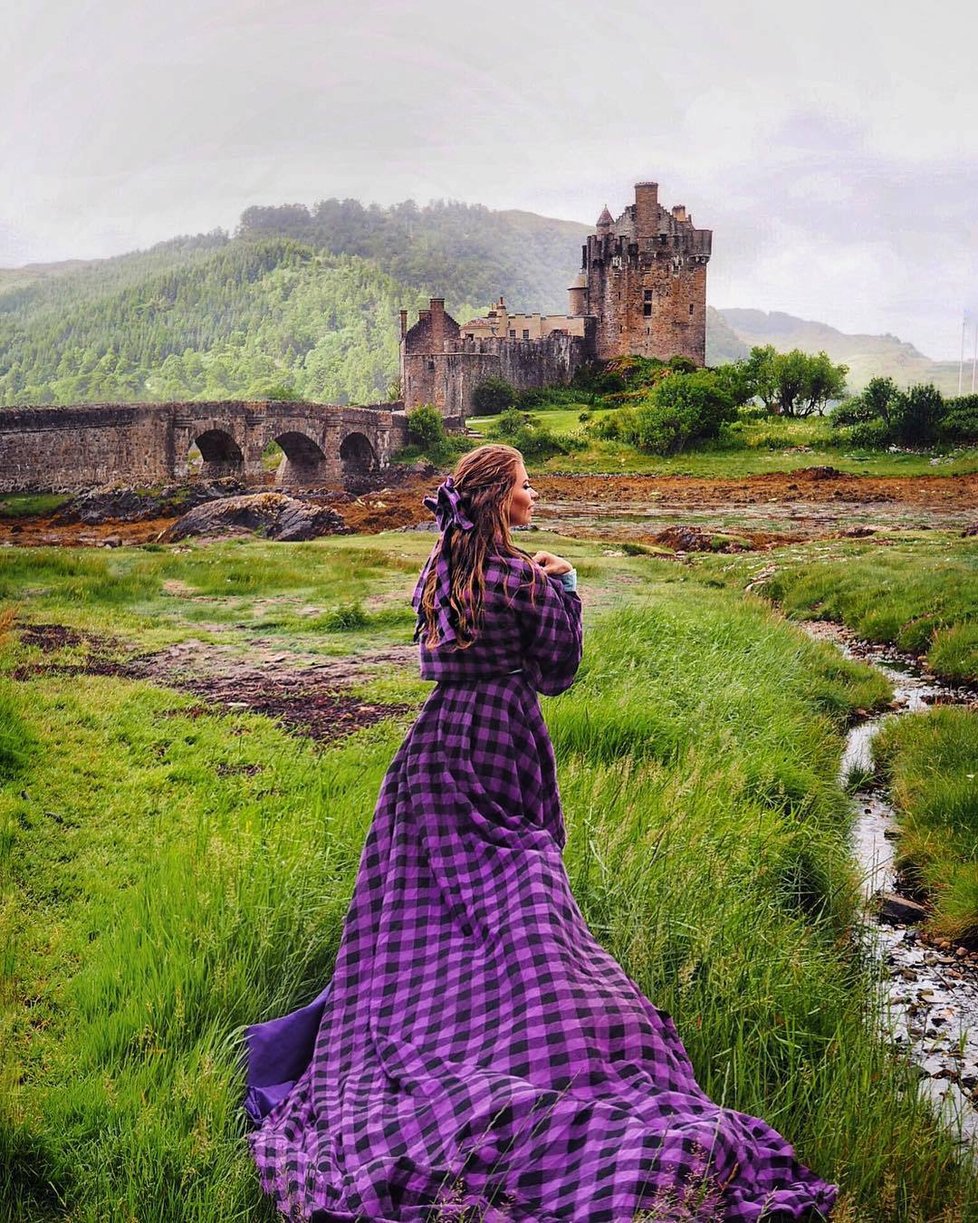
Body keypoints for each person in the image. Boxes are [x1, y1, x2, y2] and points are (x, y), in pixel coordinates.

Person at [243, 443, 836, 1221]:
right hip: (502, 749)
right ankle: (542, 1044)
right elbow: (558, 672)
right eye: (526, 483)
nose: (535, 491)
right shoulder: (523, 580)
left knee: (424, 916)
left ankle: (442, 1019)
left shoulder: (442, 568)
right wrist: (568, 589)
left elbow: (434, 658)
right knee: (529, 909)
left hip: (432, 751)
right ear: (500, 498)